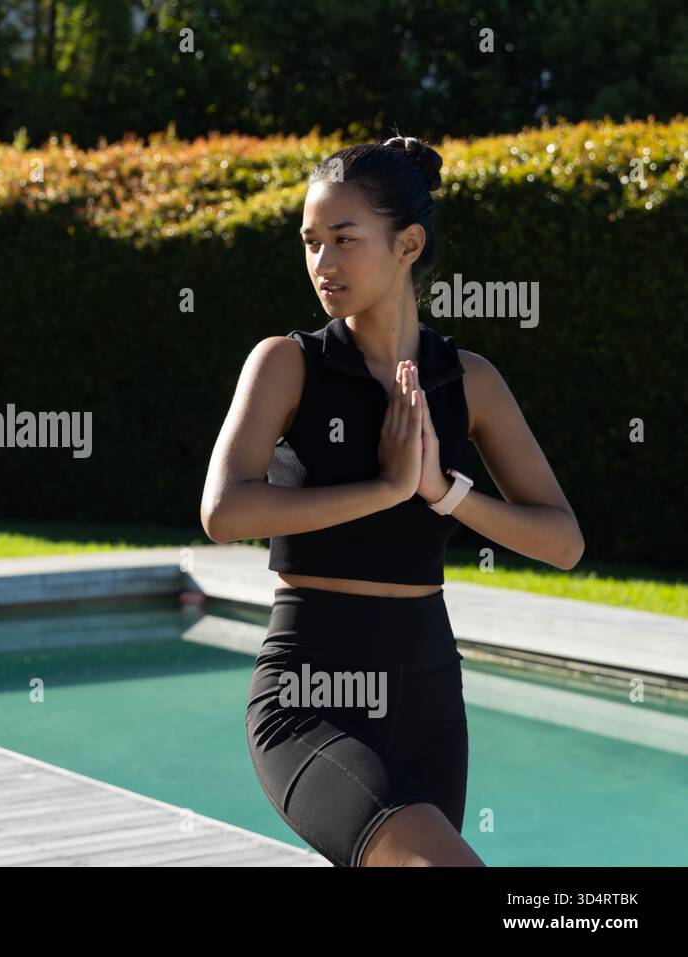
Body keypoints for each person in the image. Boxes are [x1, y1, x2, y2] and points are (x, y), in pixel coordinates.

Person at [200, 135, 584, 866]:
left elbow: (562, 541)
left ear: (408, 244)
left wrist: (445, 492)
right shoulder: (288, 363)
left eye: (345, 240)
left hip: (429, 690)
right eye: (311, 242)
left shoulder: (468, 380)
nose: (323, 264)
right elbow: (224, 511)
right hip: (310, 684)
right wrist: (382, 489)